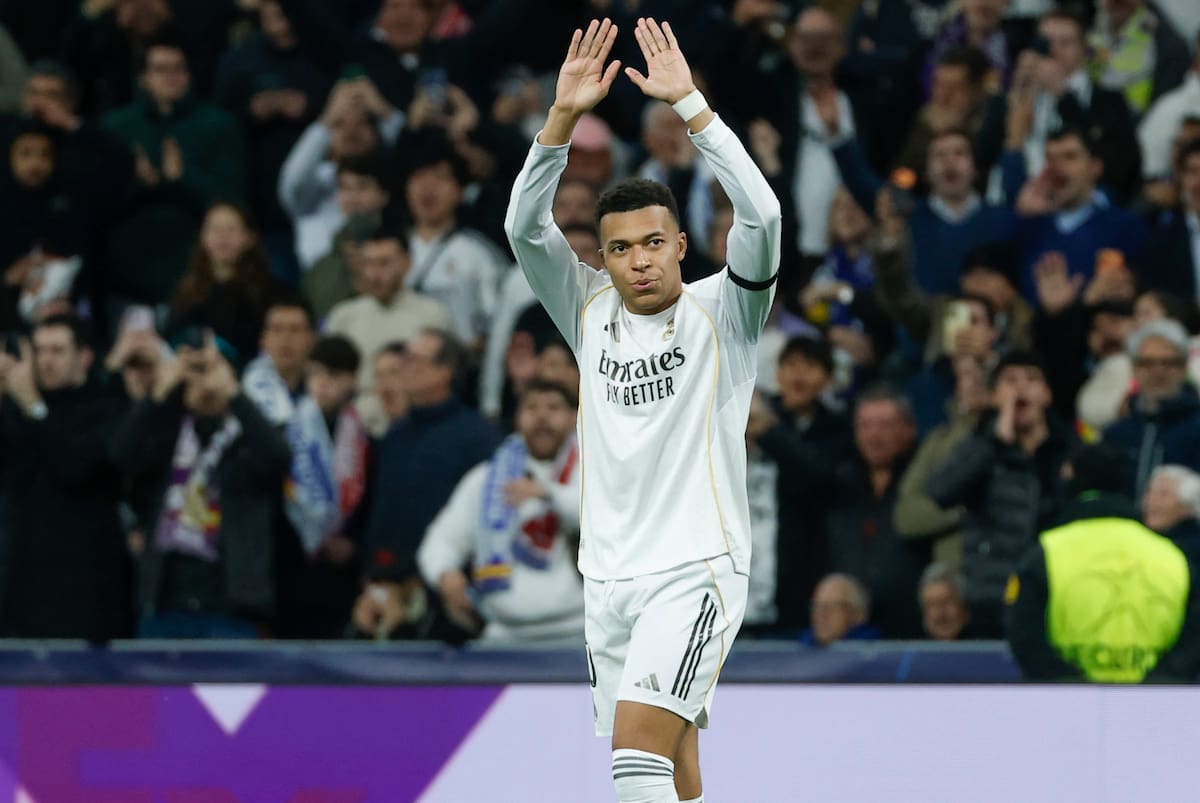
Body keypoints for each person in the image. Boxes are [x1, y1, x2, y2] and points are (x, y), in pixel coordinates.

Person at [504, 17, 781, 803]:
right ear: (603, 258)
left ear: (682, 246)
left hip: (694, 566)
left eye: (654, 243)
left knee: (636, 760)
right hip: (608, 575)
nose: (639, 261)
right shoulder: (587, 309)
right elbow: (523, 227)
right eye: (621, 248)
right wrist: (560, 119)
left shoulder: (725, 312)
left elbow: (763, 217)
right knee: (677, 764)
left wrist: (693, 107)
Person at [110, 332, 291, 639]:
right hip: (164, 604)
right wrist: (159, 392)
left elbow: (279, 457)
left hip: (229, 607)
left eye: (211, 371)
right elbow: (120, 455)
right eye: (194, 372)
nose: (204, 383)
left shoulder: (246, 443)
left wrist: (234, 394)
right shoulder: (168, 436)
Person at [1006, 443, 1200, 682]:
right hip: (1156, 700)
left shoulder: (1047, 551)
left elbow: (1024, 636)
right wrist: (1159, 684)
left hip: (1064, 700)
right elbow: (1193, 637)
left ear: (1072, 480)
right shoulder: (1172, 556)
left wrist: (1068, 685)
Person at [351, 328, 499, 640]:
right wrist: (376, 582)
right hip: (386, 597)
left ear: (445, 372)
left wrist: (420, 583)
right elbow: (382, 514)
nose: (403, 367)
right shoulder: (395, 433)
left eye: (415, 360)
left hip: (447, 599)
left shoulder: (478, 438)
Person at [417, 379, 584, 642]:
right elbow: (441, 540)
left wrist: (549, 494)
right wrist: (445, 574)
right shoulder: (487, 480)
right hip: (503, 635)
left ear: (574, 416)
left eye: (553, 407)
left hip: (579, 632)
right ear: (517, 418)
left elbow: (605, 520)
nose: (542, 417)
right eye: (531, 407)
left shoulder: (590, 469)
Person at [0, 314, 133, 641]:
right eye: (39, 351)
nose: (45, 361)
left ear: (84, 357)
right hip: (22, 591)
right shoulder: (15, 411)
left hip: (86, 593)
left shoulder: (109, 407)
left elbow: (75, 467)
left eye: (57, 351)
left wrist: (34, 406)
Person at [928, 350, 1075, 636]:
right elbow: (940, 491)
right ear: (995, 396)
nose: (1020, 388)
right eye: (1010, 380)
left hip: (1054, 593)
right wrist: (995, 442)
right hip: (990, 597)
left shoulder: (1068, 451)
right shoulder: (980, 447)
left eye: (1031, 379)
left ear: (1046, 394)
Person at [166, 203, 287, 361]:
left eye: (231, 229)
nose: (223, 237)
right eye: (215, 229)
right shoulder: (187, 293)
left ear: (250, 238)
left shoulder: (272, 293)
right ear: (203, 237)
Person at [1102, 319, 1200, 496]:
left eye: (1168, 363)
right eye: (1147, 363)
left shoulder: (1196, 428)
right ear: (1134, 368)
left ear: (1184, 368)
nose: (1158, 372)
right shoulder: (1114, 435)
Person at [798, 573, 880, 647]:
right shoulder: (799, 648)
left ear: (858, 614)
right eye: (817, 606)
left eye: (831, 607)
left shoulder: (874, 653)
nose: (821, 614)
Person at [1143, 464, 1200, 562]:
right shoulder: (1135, 533)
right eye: (1149, 491)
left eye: (1164, 494)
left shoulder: (1193, 551)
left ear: (1187, 505)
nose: (1151, 500)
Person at [919, 563, 971, 641]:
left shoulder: (985, 644)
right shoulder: (912, 647)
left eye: (946, 603)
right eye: (932, 605)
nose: (940, 613)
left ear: (964, 607)